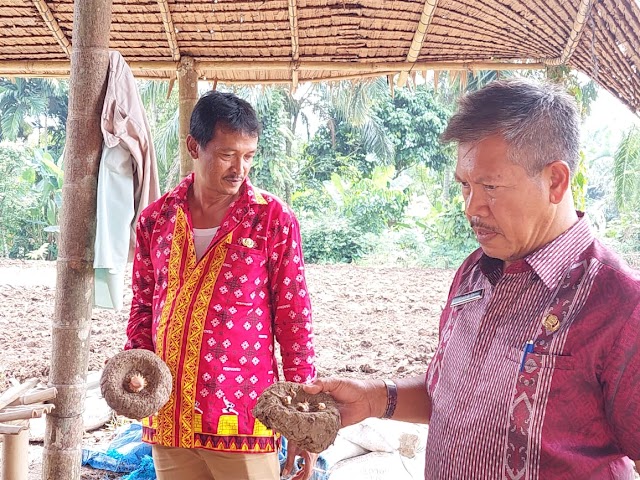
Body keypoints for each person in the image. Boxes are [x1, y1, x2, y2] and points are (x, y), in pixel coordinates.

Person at [305, 79, 640, 479]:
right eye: (465, 185)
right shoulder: (473, 273)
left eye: (490, 187)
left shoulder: (619, 303)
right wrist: (376, 398)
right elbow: (451, 395)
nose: (471, 207)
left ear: (555, 181)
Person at [125, 90, 317, 480]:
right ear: (194, 146)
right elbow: (144, 309)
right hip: (169, 417)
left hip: (243, 420)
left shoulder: (272, 220)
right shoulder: (154, 220)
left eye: (248, 156)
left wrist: (302, 417)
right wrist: (134, 373)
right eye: (228, 154)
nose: (239, 168)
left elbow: (294, 320)